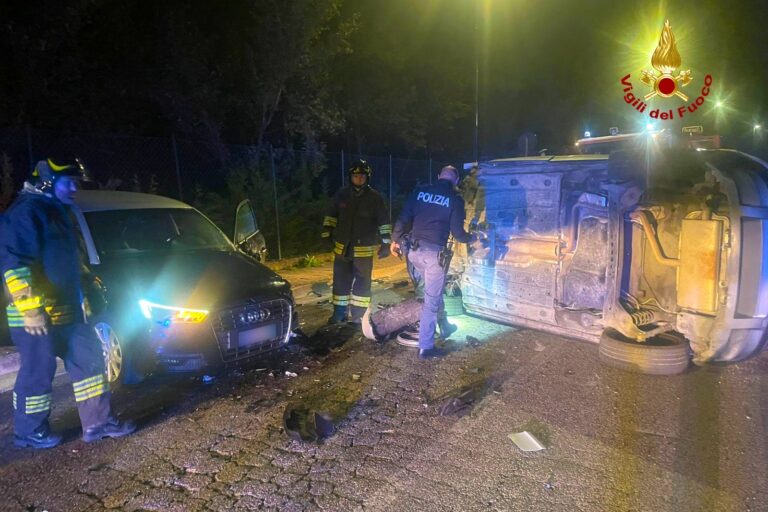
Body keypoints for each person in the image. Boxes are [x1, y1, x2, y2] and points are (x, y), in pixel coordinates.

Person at [0, 157, 136, 449]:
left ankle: (98, 423)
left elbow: (70, 262)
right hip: (36, 316)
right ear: (47, 182)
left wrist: (86, 290)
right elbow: (14, 265)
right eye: (68, 181)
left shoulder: (58, 211)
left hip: (70, 312)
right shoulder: (26, 213)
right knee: (38, 373)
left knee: (89, 364)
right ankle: (28, 431)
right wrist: (30, 309)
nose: (75, 187)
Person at [391, 165, 477, 359]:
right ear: (455, 181)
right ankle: (426, 347)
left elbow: (403, 217)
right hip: (433, 256)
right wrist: (474, 239)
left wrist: (395, 240)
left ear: (438, 177)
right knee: (431, 300)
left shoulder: (420, 192)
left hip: (413, 253)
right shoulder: (455, 200)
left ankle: (445, 325)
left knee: (433, 292)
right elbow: (458, 234)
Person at [321, 159, 391, 325]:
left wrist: (386, 243)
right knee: (340, 282)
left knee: (362, 284)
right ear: (350, 177)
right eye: (356, 175)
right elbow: (331, 215)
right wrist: (326, 234)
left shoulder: (375, 198)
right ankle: (339, 314)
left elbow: (384, 222)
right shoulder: (341, 195)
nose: (359, 178)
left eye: (362, 176)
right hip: (342, 249)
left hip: (363, 251)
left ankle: (359, 316)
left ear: (367, 178)